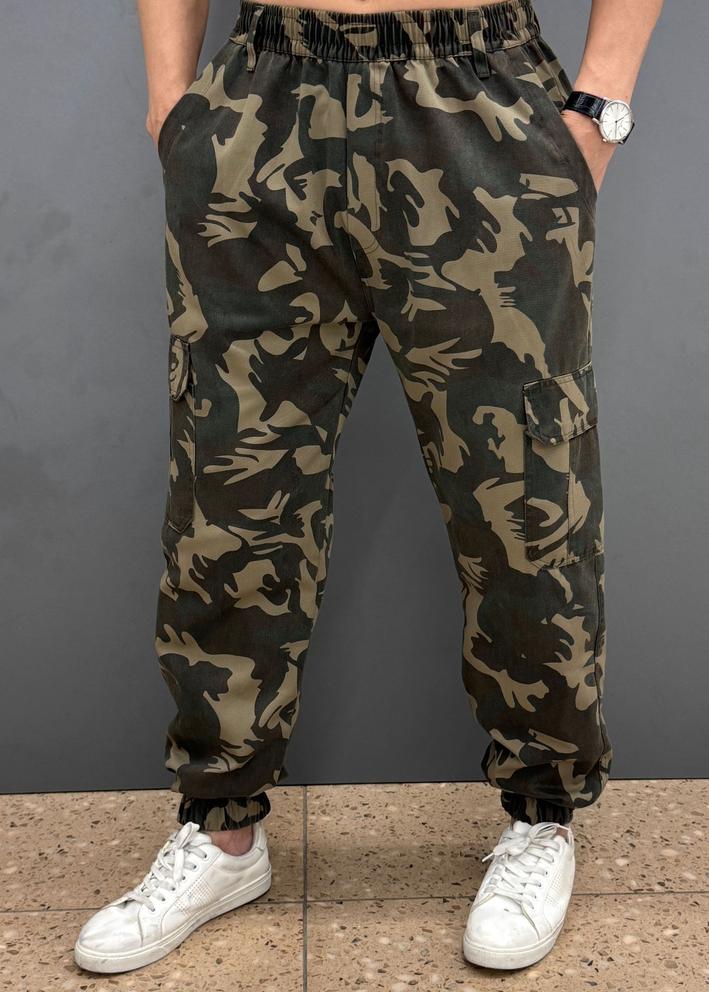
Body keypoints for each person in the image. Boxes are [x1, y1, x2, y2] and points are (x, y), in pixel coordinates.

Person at [74, 0, 663, 975]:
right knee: (231, 492)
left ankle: (543, 816)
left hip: (474, 95)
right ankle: (221, 828)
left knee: (521, 493)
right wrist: (171, 99)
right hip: (264, 95)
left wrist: (599, 105)